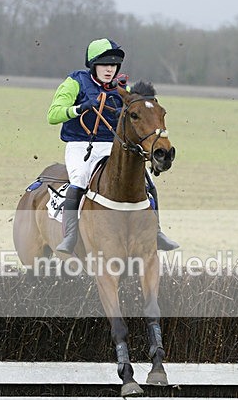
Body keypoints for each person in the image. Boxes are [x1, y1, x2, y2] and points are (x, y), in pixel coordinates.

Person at [47, 38, 179, 254]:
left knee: (147, 180)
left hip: (113, 146)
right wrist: (80, 108)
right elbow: (53, 115)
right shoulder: (74, 82)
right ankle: (70, 236)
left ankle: (157, 232)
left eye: (113, 66)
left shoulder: (122, 88)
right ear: (93, 65)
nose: (110, 70)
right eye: (104, 65)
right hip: (82, 145)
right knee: (80, 179)